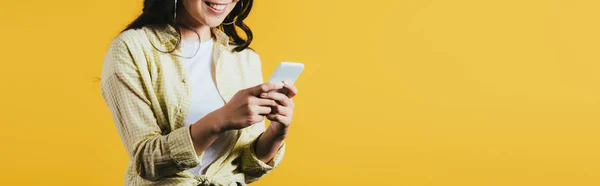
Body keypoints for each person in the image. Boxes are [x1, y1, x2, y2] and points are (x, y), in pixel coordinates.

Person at [100, 0, 298, 185]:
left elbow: (247, 166)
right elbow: (147, 161)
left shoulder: (244, 59)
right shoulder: (131, 48)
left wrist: (277, 132)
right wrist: (221, 119)